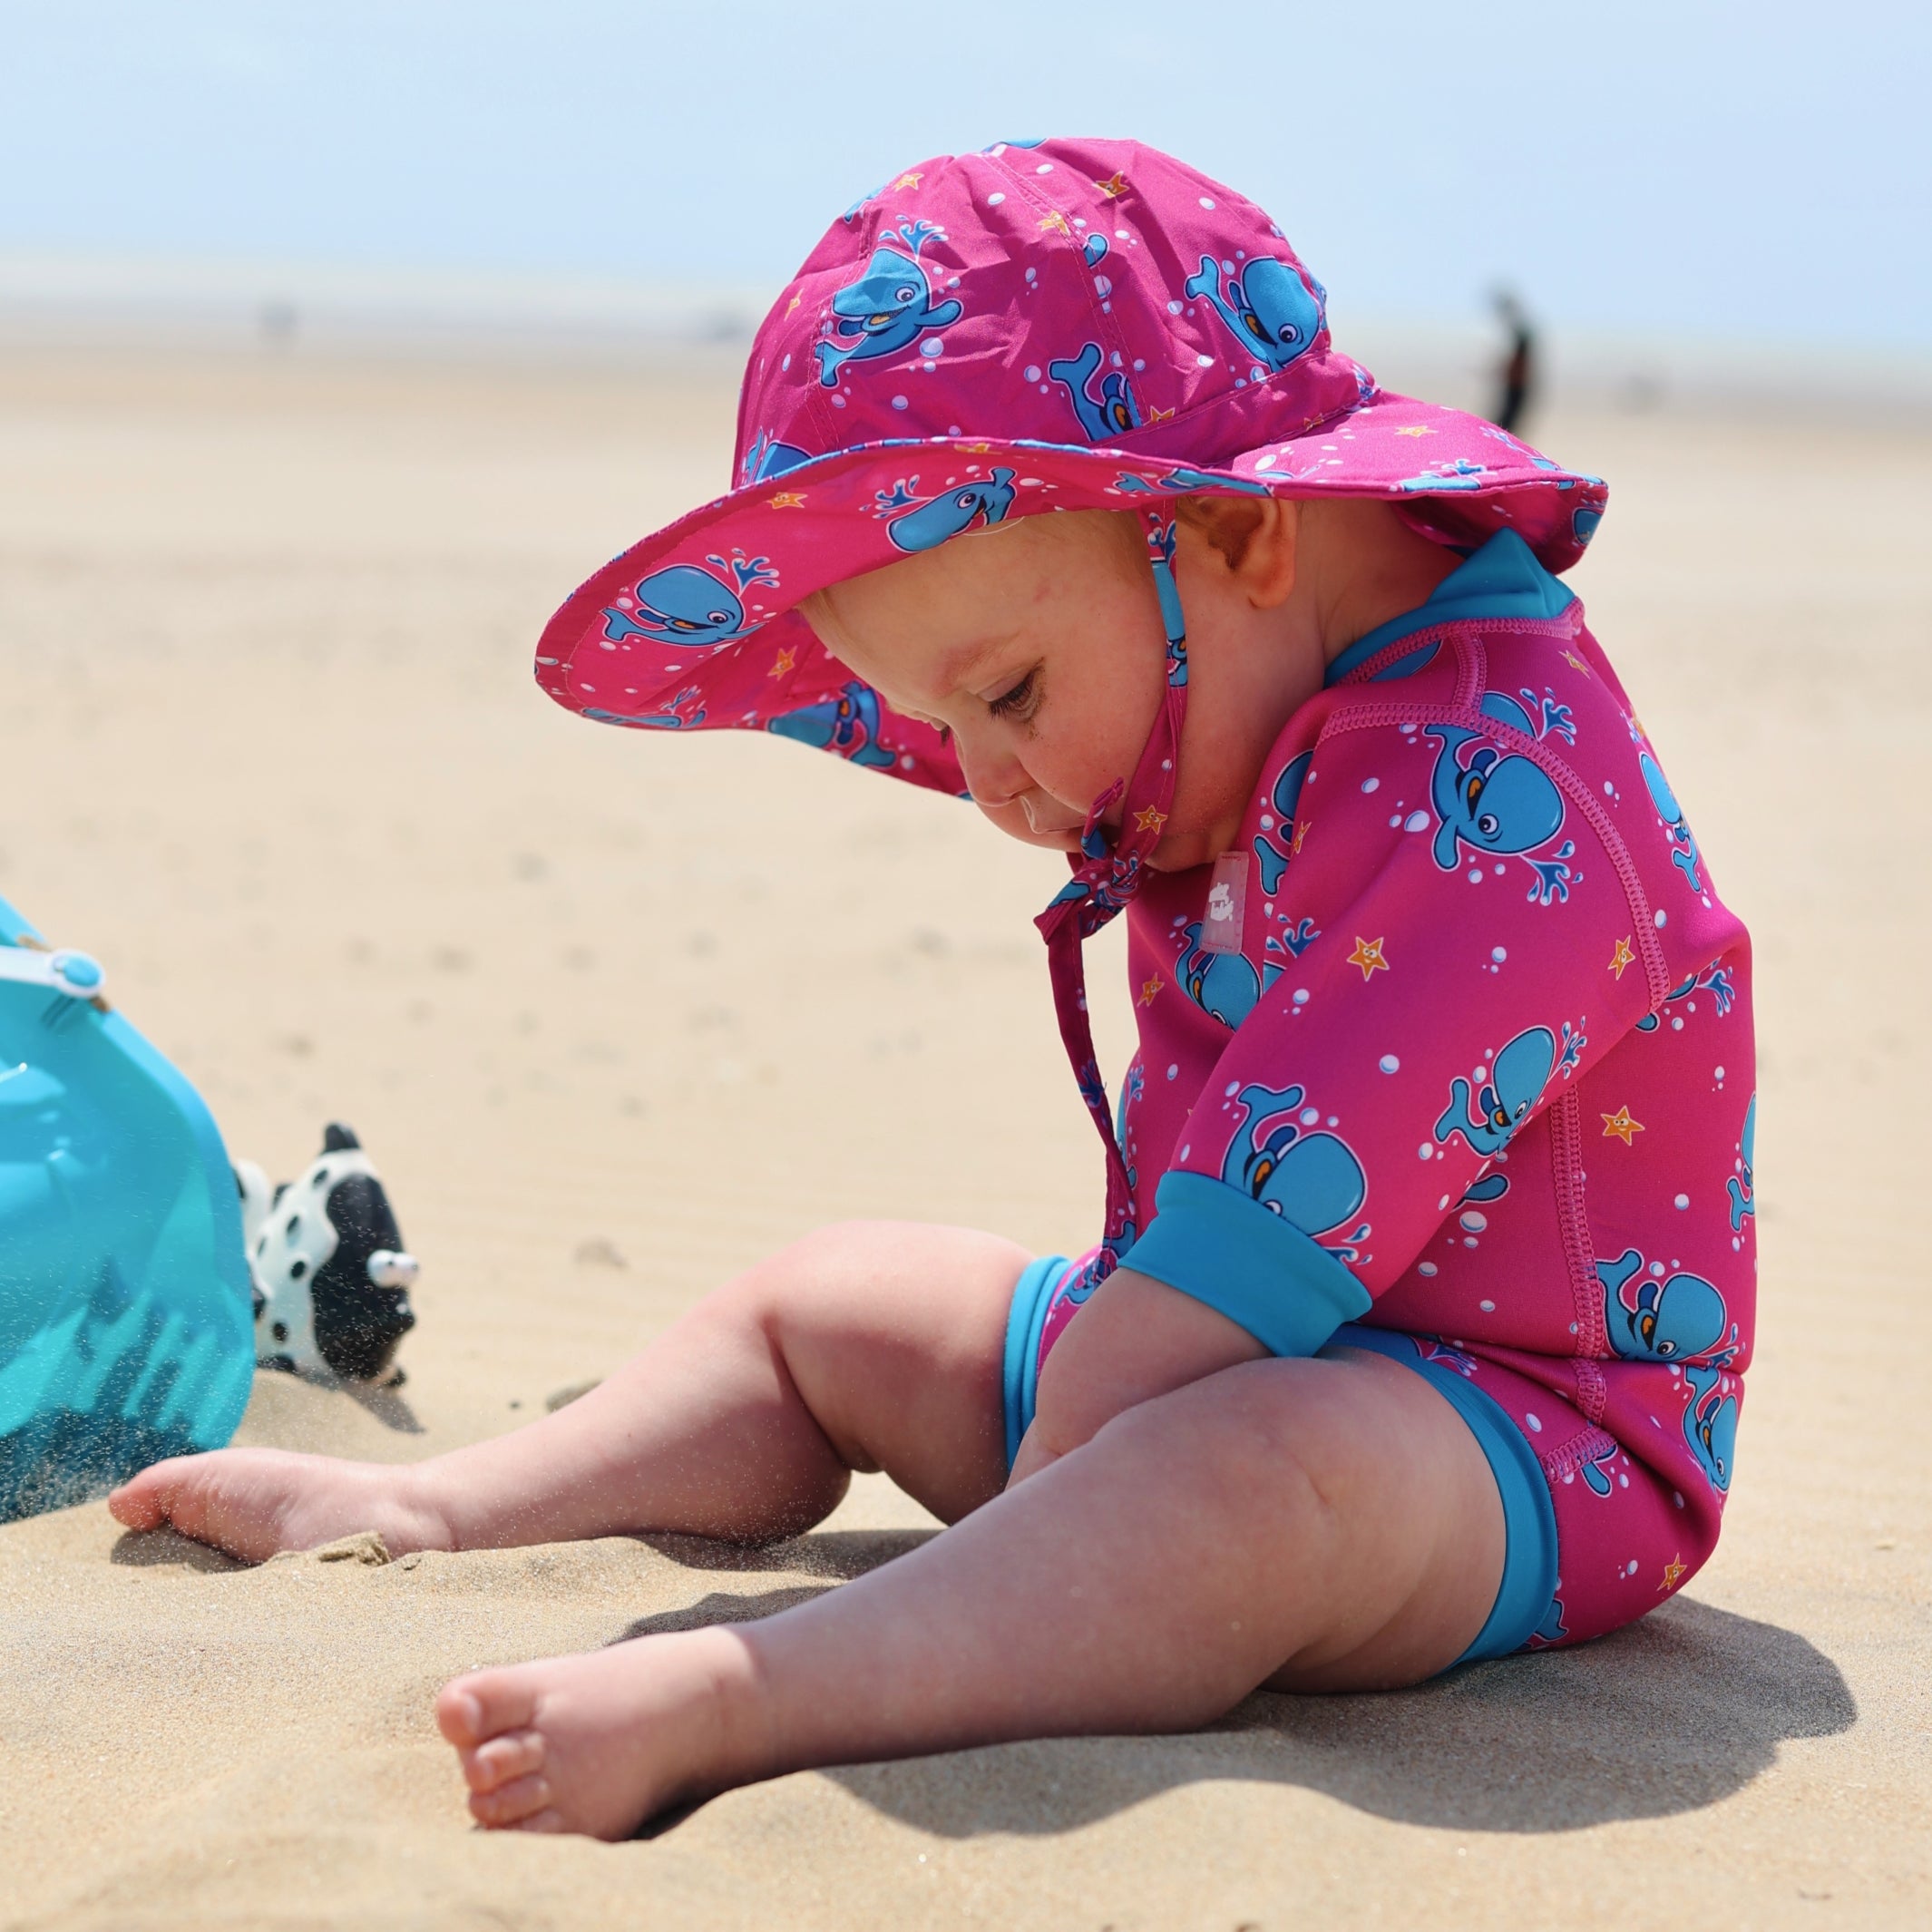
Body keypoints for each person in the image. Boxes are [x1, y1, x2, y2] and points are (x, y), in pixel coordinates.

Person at [110, 139, 1754, 1841]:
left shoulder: (1502, 784)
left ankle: (770, 1688)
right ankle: (447, 1508)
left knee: (1243, 1484)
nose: (989, 788)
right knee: (838, 1302)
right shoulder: (1254, 693)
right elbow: (1179, 1310)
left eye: (1011, 693)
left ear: (1238, 530)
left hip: (1518, 1439)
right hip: (1189, 1331)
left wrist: (1041, 1535)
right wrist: (1082, 1440)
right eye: (944, 724)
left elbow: (1265, 1247)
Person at [1492, 288, 1537, 433]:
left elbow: (1520, 362)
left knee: (1506, 423)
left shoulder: (1522, 333)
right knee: (1504, 422)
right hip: (1515, 385)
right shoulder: (1520, 331)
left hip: (1518, 386)